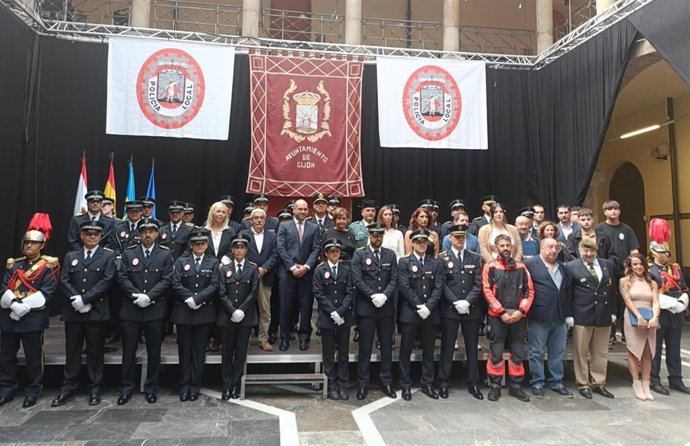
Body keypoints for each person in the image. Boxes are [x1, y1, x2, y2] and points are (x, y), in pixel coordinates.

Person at [52, 220, 116, 407]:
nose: (92, 237)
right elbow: (64, 280)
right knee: (72, 351)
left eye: (95, 234)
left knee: (95, 352)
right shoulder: (72, 255)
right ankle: (68, 387)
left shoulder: (107, 256)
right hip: (74, 311)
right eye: (88, 234)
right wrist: (77, 301)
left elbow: (107, 280)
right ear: (81, 236)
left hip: (95, 311)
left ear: (100, 236)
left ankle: (95, 388)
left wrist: (86, 300)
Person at [0, 218, 59, 408]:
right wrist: (14, 304)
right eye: (26, 242)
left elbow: (48, 291)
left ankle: (33, 389)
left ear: (42, 245)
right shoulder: (14, 265)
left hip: (32, 316)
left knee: (33, 356)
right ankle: (7, 388)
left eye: (33, 242)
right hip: (10, 316)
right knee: (7, 355)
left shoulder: (49, 265)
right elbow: (4, 286)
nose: (28, 245)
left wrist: (23, 306)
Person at [116, 218, 173, 405]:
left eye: (151, 231)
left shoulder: (165, 254)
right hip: (131, 309)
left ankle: (151, 387)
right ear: (139, 234)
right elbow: (122, 277)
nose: (148, 235)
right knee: (129, 351)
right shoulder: (128, 252)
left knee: (154, 351)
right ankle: (126, 388)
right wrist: (136, 296)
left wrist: (149, 297)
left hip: (154, 309)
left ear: (157, 233)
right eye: (144, 231)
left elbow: (166, 280)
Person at [483, 234, 534, 402]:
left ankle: (516, 387)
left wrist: (521, 311)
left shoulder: (521, 267)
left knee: (517, 352)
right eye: (502, 245)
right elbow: (487, 291)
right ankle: (495, 386)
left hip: (519, 317)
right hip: (498, 317)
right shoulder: (489, 267)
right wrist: (501, 312)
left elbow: (529, 291)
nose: (505, 248)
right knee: (496, 352)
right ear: (495, 248)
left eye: (508, 245)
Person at [351, 223, 399, 400]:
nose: (377, 238)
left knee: (386, 347)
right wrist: (373, 296)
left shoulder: (390, 254)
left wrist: (384, 296)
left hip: (385, 308)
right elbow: (357, 279)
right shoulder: (360, 253)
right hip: (367, 307)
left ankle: (386, 381)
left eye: (380, 235)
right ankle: (362, 383)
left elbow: (394, 279)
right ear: (369, 235)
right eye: (374, 235)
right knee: (365, 348)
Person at [171, 229, 219, 402]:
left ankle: (195, 386)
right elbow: (175, 283)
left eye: (203, 243)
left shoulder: (213, 262)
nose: (199, 246)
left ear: (206, 245)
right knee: (184, 352)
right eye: (196, 243)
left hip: (203, 313)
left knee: (199, 352)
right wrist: (189, 298)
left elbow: (214, 285)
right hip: (184, 312)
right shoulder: (180, 261)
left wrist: (198, 299)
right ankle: (184, 386)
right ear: (191, 245)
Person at [437, 224, 484, 400]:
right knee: (447, 347)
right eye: (456, 237)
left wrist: (467, 301)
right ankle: (443, 382)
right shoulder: (442, 258)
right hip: (451, 308)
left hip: (471, 309)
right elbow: (441, 284)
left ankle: (473, 383)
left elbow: (478, 283)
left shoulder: (475, 258)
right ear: (449, 238)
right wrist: (456, 302)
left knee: (472, 348)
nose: (459, 240)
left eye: (462, 237)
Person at [565, 238, 616, 399]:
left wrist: (613, 311)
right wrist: (569, 315)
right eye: (585, 251)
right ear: (580, 251)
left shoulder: (606, 264)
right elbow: (567, 293)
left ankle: (598, 382)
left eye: (592, 251)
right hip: (582, 314)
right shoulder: (572, 267)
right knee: (581, 351)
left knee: (601, 352)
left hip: (603, 314)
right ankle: (583, 383)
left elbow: (612, 290)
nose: (589, 254)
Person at [397, 229, 444, 401]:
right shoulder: (404, 262)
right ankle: (405, 385)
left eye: (424, 242)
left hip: (430, 313)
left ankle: (427, 383)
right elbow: (404, 287)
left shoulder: (436, 263)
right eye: (418, 242)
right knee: (406, 350)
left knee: (429, 351)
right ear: (413, 243)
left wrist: (429, 307)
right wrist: (419, 306)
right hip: (411, 312)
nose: (422, 244)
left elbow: (439, 287)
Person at [525, 238, 573, 399]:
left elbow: (567, 293)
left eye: (556, 247)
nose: (553, 250)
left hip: (559, 317)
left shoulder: (562, 268)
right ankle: (537, 382)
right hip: (539, 316)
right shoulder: (530, 265)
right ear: (541, 248)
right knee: (536, 352)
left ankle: (557, 382)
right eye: (549, 247)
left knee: (557, 352)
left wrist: (568, 314)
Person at [647, 229, 690, 395]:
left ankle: (676, 379)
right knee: (656, 349)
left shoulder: (676, 268)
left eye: (666, 252)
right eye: (661, 252)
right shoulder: (650, 270)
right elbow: (652, 293)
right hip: (660, 312)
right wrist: (671, 303)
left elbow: (684, 287)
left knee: (674, 348)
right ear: (653, 252)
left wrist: (683, 301)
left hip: (676, 313)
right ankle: (654, 379)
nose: (664, 255)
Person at [276, 199, 320, 351]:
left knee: (306, 307)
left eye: (305, 209)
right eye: (299, 209)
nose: (302, 211)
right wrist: (293, 267)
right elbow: (280, 248)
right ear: (293, 210)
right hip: (287, 274)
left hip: (307, 274)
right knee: (285, 308)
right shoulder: (283, 226)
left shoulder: (314, 228)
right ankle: (285, 338)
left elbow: (316, 249)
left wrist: (307, 266)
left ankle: (304, 338)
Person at [218, 234, 259, 400]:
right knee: (227, 351)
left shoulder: (252, 268)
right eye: (236, 247)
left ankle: (235, 384)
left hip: (246, 316)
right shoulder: (224, 269)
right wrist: (232, 310)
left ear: (246, 250)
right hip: (228, 316)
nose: (239, 250)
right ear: (232, 250)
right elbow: (221, 293)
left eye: (242, 247)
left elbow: (253, 292)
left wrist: (241, 310)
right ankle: (226, 385)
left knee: (241, 352)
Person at [313, 238, 354, 400]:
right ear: (326, 254)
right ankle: (331, 384)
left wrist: (341, 311)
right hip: (327, 318)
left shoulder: (346, 269)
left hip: (344, 318)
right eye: (331, 252)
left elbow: (351, 292)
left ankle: (343, 384)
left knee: (344, 353)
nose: (334, 254)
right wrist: (333, 312)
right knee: (328, 353)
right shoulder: (320, 270)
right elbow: (319, 293)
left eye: (337, 251)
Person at [596, 200, 639, 343]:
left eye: (615, 209)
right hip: (607, 272)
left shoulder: (627, 229)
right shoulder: (599, 229)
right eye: (609, 209)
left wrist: (634, 267)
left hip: (624, 272)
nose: (613, 211)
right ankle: (611, 333)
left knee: (625, 302)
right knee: (608, 301)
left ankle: (627, 332)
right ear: (604, 212)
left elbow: (634, 250)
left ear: (620, 211)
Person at [619, 253, 660, 400]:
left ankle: (646, 384)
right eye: (635, 264)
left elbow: (655, 301)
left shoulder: (652, 283)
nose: (638, 267)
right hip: (633, 317)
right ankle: (636, 383)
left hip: (649, 318)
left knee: (648, 352)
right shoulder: (625, 281)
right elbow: (628, 301)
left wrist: (655, 317)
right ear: (630, 266)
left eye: (641, 263)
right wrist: (639, 316)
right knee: (634, 351)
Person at [240, 208, 278, 352]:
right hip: (246, 277)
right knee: (243, 306)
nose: (259, 220)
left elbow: (275, 254)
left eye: (262, 218)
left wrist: (264, 269)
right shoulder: (243, 234)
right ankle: (242, 338)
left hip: (265, 276)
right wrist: (253, 270)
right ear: (251, 220)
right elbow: (239, 254)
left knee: (265, 310)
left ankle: (263, 339)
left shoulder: (272, 236)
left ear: (265, 220)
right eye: (256, 218)